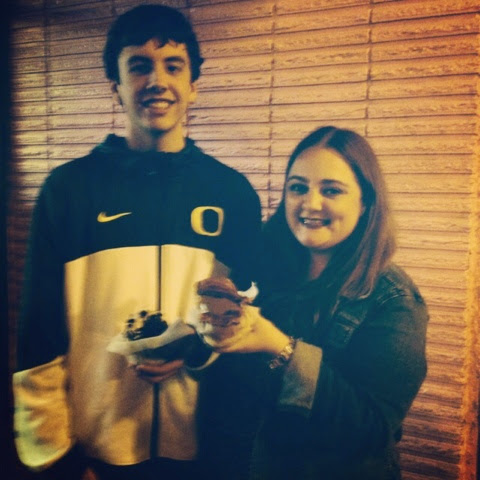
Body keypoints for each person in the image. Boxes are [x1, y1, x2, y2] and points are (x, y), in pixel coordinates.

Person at [12, 5, 261, 480]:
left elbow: (246, 313)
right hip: (94, 451)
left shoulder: (232, 193)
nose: (157, 80)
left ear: (193, 85)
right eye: (139, 66)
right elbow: (37, 335)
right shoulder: (68, 190)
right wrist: (55, 461)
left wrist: (195, 349)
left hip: (201, 453)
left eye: (173, 66)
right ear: (117, 85)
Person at [214, 126, 429, 480]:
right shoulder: (261, 269)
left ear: (365, 202)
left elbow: (373, 429)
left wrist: (281, 348)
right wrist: (191, 342)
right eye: (298, 188)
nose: (310, 204)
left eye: (331, 190)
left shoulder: (393, 299)